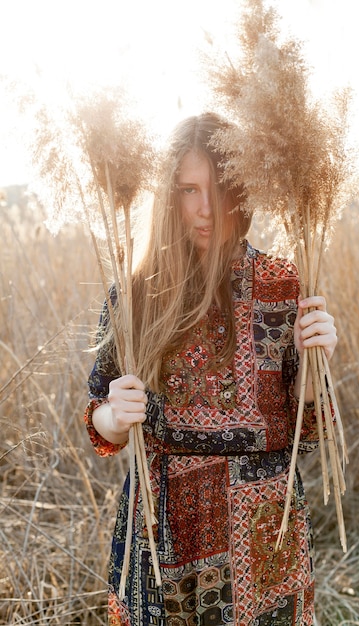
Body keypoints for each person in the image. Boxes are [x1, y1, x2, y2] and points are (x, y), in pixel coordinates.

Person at [84, 112, 338, 626]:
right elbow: (97, 418)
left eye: (221, 189)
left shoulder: (284, 283)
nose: (207, 210)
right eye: (188, 190)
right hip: (162, 534)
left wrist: (313, 381)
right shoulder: (135, 296)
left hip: (265, 531)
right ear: (167, 195)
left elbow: (307, 435)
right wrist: (114, 416)